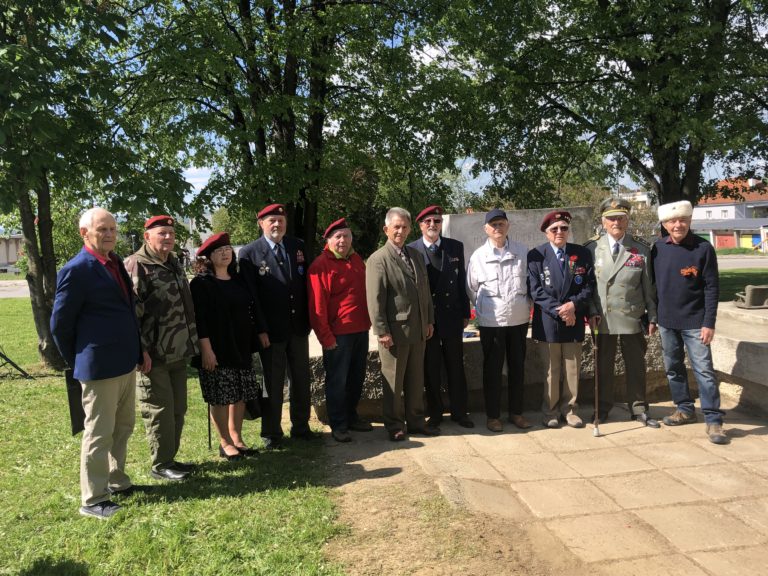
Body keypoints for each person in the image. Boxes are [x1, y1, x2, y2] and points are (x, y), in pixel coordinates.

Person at [51, 207, 145, 519]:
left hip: (125, 362)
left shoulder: (115, 262)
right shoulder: (76, 269)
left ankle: (117, 481)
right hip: (98, 367)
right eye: (102, 229)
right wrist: (79, 358)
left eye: (112, 229)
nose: (109, 234)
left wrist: (139, 349)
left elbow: (128, 311)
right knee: (99, 433)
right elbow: (60, 325)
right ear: (85, 233)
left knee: (123, 427)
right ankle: (93, 499)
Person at [125, 215, 199, 481]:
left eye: (170, 233)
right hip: (153, 354)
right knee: (159, 409)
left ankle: (171, 458)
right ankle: (160, 464)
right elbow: (131, 314)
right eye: (162, 233)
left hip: (177, 350)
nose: (168, 237)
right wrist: (140, 350)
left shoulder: (173, 263)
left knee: (178, 408)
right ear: (147, 237)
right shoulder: (138, 265)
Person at [652, 200, 728, 445]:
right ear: (664, 224)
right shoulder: (657, 249)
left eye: (682, 220)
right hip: (666, 322)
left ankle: (714, 420)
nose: (678, 225)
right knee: (673, 368)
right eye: (672, 221)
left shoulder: (703, 248)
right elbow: (651, 286)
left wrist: (709, 322)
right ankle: (684, 409)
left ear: (690, 221)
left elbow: (712, 288)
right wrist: (652, 317)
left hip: (696, 322)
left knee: (704, 371)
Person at [239, 203, 314, 450]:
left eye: (280, 221)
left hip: (298, 327)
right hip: (270, 331)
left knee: (301, 379)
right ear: (261, 223)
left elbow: (305, 286)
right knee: (272, 382)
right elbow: (251, 296)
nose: (277, 225)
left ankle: (301, 427)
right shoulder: (250, 253)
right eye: (271, 220)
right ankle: (272, 432)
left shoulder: (297, 246)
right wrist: (260, 328)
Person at [584, 198, 660, 428]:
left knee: (635, 365)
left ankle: (638, 408)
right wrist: (591, 311)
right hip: (603, 317)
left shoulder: (641, 248)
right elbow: (587, 287)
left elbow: (649, 288)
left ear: (627, 220)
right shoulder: (591, 248)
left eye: (620, 218)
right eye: (611, 218)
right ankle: (602, 407)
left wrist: (652, 316)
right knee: (603, 365)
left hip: (632, 316)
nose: (616, 222)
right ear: (603, 222)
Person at [366, 207, 439, 441]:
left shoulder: (416, 255)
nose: (400, 231)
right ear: (386, 229)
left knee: (416, 380)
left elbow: (425, 292)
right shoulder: (378, 259)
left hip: (418, 330)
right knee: (394, 382)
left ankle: (416, 421)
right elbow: (375, 299)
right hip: (395, 333)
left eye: (404, 226)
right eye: (396, 226)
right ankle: (395, 425)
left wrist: (429, 320)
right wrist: (382, 331)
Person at [190, 232, 265, 460]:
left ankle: (237, 437)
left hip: (241, 344)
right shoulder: (201, 284)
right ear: (208, 257)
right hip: (216, 346)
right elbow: (199, 320)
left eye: (227, 249)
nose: (225, 253)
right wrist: (206, 350)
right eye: (219, 251)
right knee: (220, 395)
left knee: (240, 393)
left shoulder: (239, 280)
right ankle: (225, 442)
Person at [408, 205, 474, 429]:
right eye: (428, 222)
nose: (433, 225)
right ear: (420, 225)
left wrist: (466, 313)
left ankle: (460, 412)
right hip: (428, 319)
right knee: (431, 369)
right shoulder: (411, 250)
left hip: (452, 317)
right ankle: (435, 413)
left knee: (456, 366)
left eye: (436, 221)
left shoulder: (455, 247)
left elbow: (461, 281)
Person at [307, 218, 373, 443]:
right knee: (337, 381)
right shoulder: (320, 266)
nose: (343, 240)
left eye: (346, 236)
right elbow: (317, 307)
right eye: (338, 237)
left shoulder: (356, 260)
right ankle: (338, 424)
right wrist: (326, 337)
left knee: (357, 378)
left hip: (361, 330)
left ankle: (351, 416)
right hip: (338, 335)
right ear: (328, 240)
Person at [528, 210, 595, 428]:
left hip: (573, 318)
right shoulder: (536, 255)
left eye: (564, 228)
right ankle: (550, 412)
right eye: (554, 229)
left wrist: (573, 306)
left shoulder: (581, 254)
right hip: (549, 321)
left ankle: (571, 410)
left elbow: (588, 285)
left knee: (572, 368)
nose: (559, 232)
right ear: (546, 233)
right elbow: (535, 291)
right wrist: (561, 310)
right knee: (551, 370)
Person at [466, 208, 531, 432]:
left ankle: (517, 413)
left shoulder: (522, 252)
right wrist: (486, 309)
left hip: (518, 320)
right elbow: (472, 289)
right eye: (493, 225)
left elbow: (530, 284)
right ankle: (493, 416)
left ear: (508, 226)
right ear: (486, 229)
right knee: (492, 371)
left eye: (501, 224)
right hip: (491, 322)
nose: (497, 228)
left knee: (517, 368)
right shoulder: (478, 257)